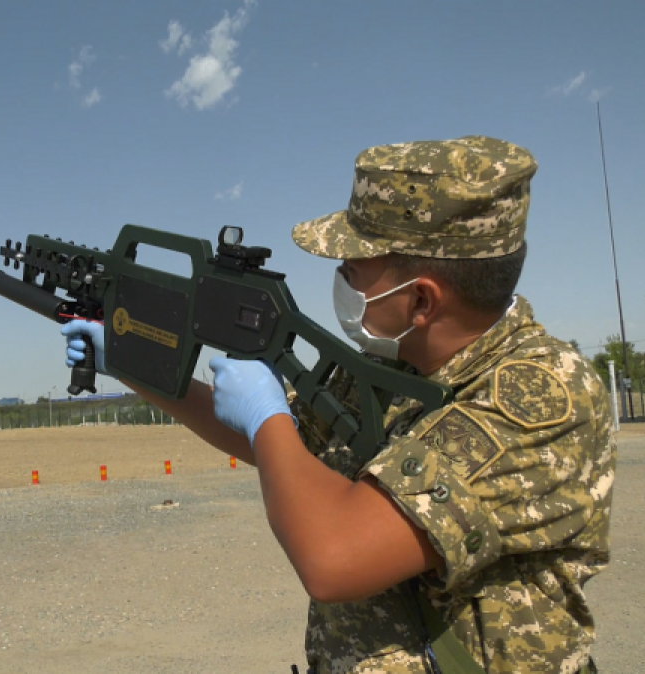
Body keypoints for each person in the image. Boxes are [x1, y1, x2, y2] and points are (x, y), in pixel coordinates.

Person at [61, 136, 614, 674]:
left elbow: (334, 558)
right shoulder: (393, 371)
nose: (340, 276)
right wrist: (136, 365)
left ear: (421, 299)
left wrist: (266, 413)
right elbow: (280, 447)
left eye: (352, 266)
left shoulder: (541, 398)